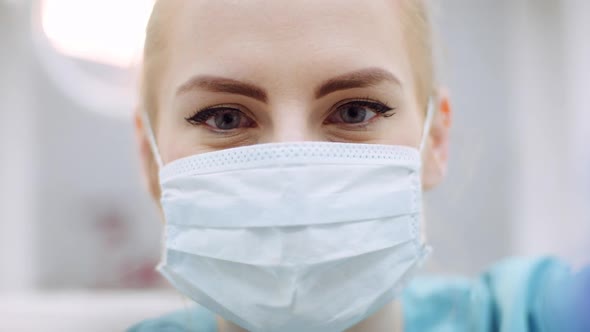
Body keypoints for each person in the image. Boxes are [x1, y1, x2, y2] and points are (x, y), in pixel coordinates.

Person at [129, 0, 588, 331]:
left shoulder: (535, 315)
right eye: (224, 118)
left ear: (436, 141)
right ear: (152, 157)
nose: (295, 177)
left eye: (355, 111)